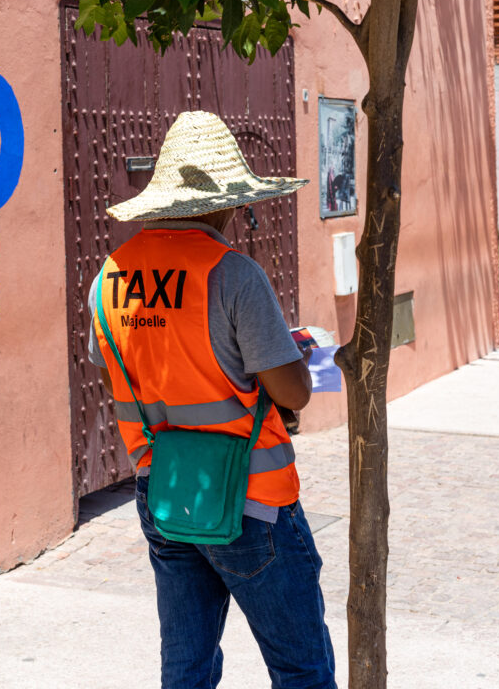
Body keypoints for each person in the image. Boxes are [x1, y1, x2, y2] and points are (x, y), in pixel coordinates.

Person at [88, 110, 336, 689]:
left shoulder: (110, 277)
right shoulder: (234, 275)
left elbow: (123, 386)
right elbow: (293, 390)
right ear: (227, 202)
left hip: (164, 496)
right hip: (255, 503)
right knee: (302, 669)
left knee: (186, 670)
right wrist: (293, 360)